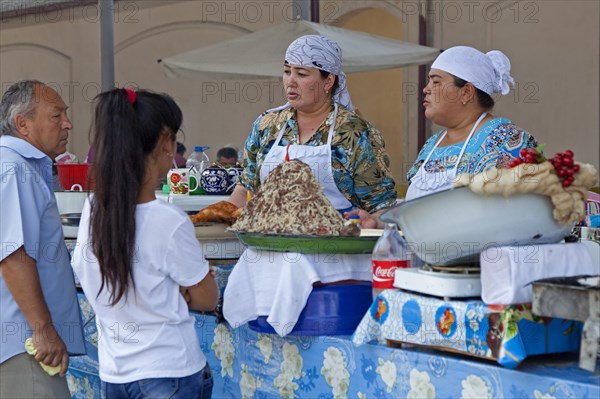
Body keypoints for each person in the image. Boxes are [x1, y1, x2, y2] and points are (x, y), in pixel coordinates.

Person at [70, 88, 218, 398]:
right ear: (166, 142)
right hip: (170, 372)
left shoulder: (92, 208)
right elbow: (208, 299)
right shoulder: (169, 220)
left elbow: (89, 275)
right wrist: (181, 292)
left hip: (115, 375)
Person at [228, 34, 397, 216]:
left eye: (301, 74)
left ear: (329, 81)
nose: (290, 82)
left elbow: (381, 207)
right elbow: (245, 189)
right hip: (265, 242)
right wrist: (221, 215)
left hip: (334, 241)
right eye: (287, 71)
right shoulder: (266, 125)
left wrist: (370, 220)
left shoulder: (356, 133)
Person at [0, 80, 85, 398]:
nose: (68, 123)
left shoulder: (18, 167)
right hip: (24, 344)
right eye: (56, 115)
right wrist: (43, 329)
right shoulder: (13, 169)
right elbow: (12, 255)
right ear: (22, 123)